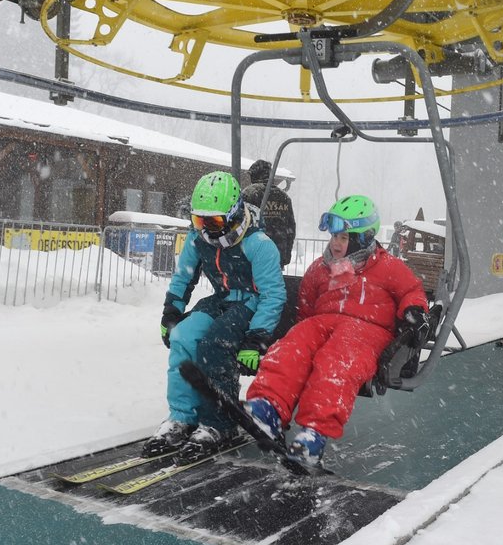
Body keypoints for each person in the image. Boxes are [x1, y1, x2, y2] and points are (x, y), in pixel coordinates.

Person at [242, 195, 430, 467]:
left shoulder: (387, 266)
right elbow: (307, 302)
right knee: (292, 347)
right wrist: (302, 330)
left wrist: (414, 310)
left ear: (363, 238)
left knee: (337, 362)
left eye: (343, 237)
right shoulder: (321, 268)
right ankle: (268, 407)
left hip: (367, 329)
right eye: (333, 237)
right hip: (322, 322)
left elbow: (411, 291)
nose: (335, 243)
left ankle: (314, 431)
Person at [144, 171, 286, 462]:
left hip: (250, 303)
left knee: (214, 344)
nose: (206, 228)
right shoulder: (199, 240)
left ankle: (219, 424)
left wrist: (256, 337)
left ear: (233, 213)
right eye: (200, 220)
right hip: (221, 300)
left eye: (214, 221)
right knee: (183, 336)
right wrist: (172, 312)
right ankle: (182, 416)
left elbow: (272, 295)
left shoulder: (258, 244)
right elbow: (183, 275)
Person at [242, 159, 296, 267]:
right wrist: (285, 255)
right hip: (278, 255)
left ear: (255, 175)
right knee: (272, 283)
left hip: (254, 254)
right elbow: (291, 229)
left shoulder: (249, 193)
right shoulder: (284, 197)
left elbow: (240, 225)